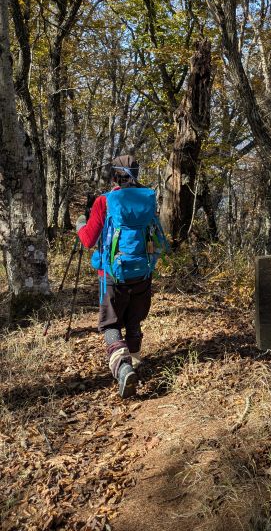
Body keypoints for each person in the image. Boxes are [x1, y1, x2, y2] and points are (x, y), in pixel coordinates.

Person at [76, 155, 163, 398]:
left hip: (113, 275)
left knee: (111, 324)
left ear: (114, 175)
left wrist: (80, 223)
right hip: (143, 271)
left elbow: (87, 239)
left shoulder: (104, 201)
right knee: (134, 320)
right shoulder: (148, 198)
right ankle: (135, 364)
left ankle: (122, 368)